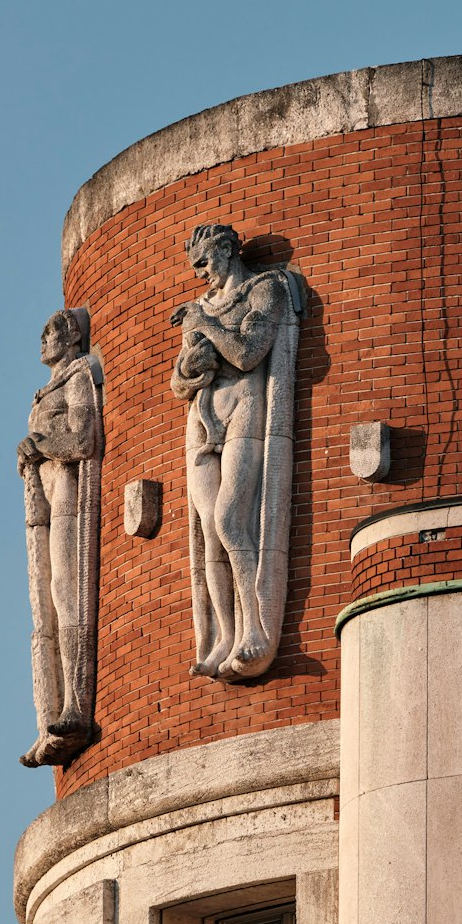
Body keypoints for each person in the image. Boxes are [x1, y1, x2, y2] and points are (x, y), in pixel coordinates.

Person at [170, 223, 301, 681]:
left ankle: (253, 629)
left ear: (227, 250)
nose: (200, 273)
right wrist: (190, 365)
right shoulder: (200, 307)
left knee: (230, 520)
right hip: (203, 416)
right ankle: (224, 635)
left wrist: (204, 326)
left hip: (246, 410)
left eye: (204, 261)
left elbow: (248, 354)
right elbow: (177, 382)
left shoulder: (264, 290)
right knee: (208, 529)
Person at [18, 309, 103, 766]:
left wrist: (41, 444)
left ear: (72, 337)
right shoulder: (44, 391)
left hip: (71, 495)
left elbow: (83, 439)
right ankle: (50, 709)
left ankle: (75, 701)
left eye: (52, 330)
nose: (43, 337)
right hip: (49, 495)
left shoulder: (77, 377)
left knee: (68, 594)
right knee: (47, 597)